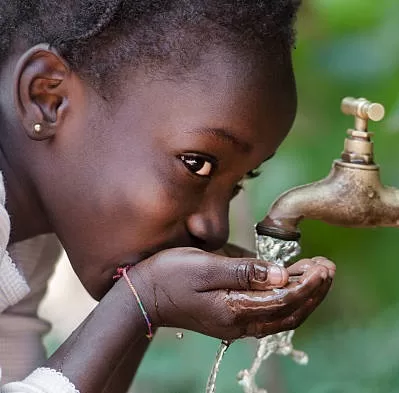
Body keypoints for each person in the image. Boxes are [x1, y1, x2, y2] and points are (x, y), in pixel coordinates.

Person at [0, 1, 337, 392]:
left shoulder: (23, 239)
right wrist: (140, 301)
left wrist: (147, 304)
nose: (213, 228)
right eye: (197, 164)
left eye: (239, 183)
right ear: (48, 97)